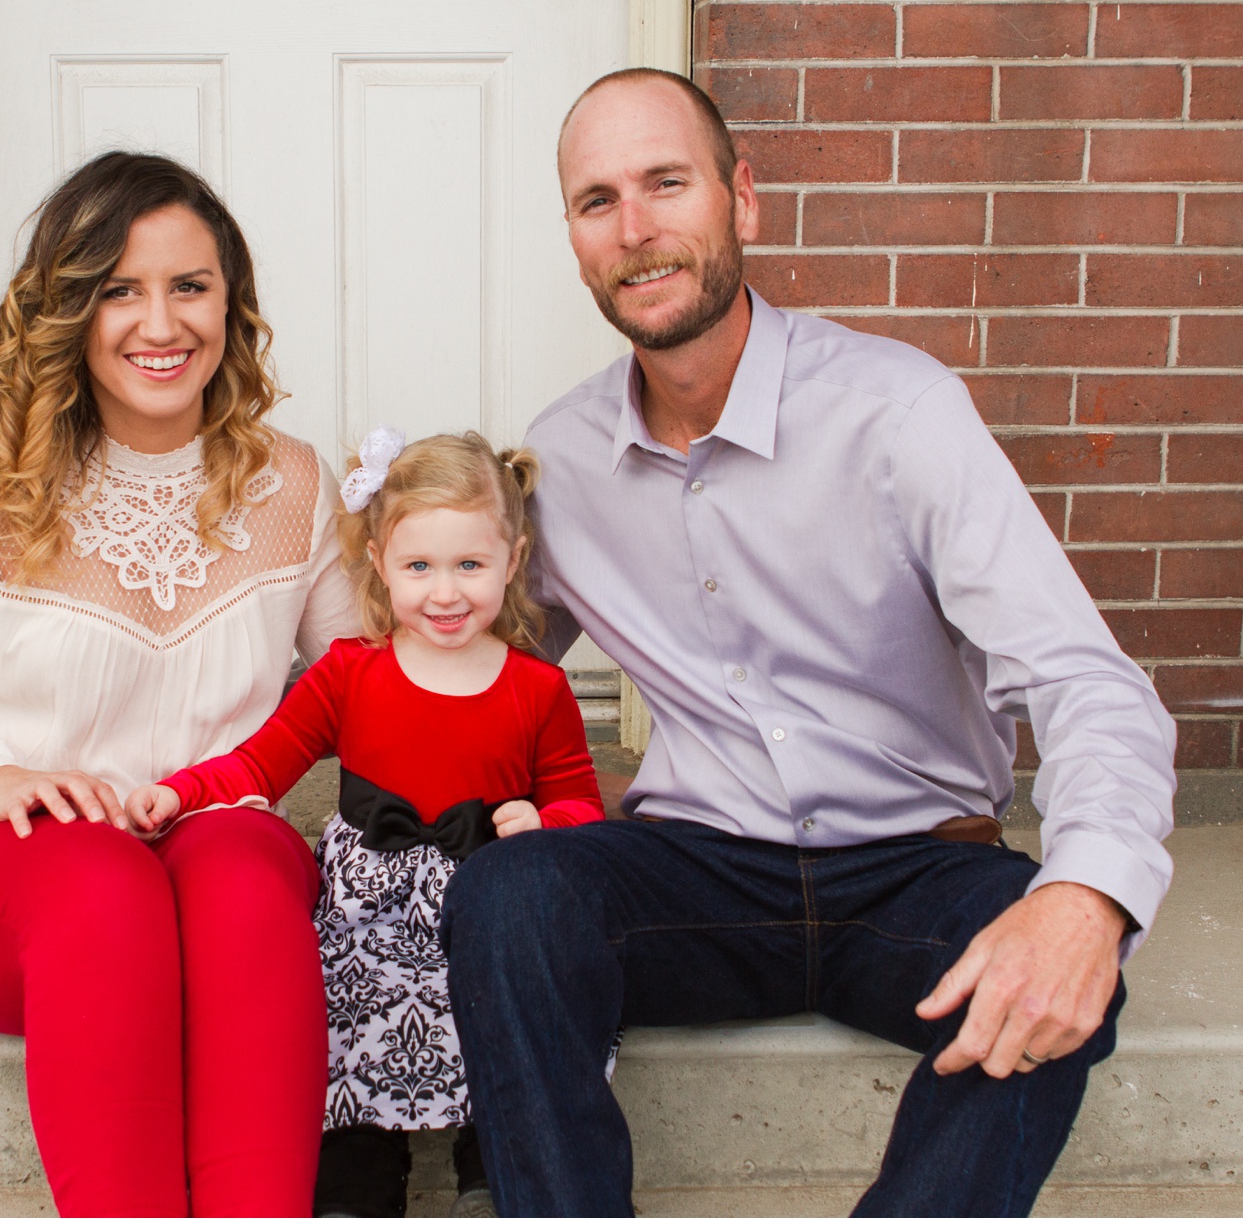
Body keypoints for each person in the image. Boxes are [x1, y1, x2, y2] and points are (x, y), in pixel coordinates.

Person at [439, 68, 1178, 1217]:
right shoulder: (564, 457)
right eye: (597, 201)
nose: (634, 230)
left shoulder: (899, 410)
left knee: (1059, 967)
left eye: (665, 183)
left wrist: (1086, 897)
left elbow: (1088, 680)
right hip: (701, 872)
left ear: (743, 200)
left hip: (916, 869)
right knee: (508, 897)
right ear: (576, 240)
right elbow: (474, 658)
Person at [0, 151, 359, 1216]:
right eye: (119, 289)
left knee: (250, 874)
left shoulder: (293, 484)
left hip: (204, 847)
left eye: (189, 286)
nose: (159, 324)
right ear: (69, 307)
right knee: (105, 883)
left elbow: (367, 688)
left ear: (231, 304)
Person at [126, 429, 606, 1217]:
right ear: (378, 561)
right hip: (362, 920)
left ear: (512, 561)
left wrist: (545, 821)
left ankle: (493, 1157)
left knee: (511, 1007)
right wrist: (181, 793)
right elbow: (259, 765)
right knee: (337, 1018)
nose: (444, 593)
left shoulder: (536, 689)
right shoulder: (350, 672)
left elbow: (580, 802)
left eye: (470, 566)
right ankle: (357, 1173)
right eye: (419, 566)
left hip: (481, 911)